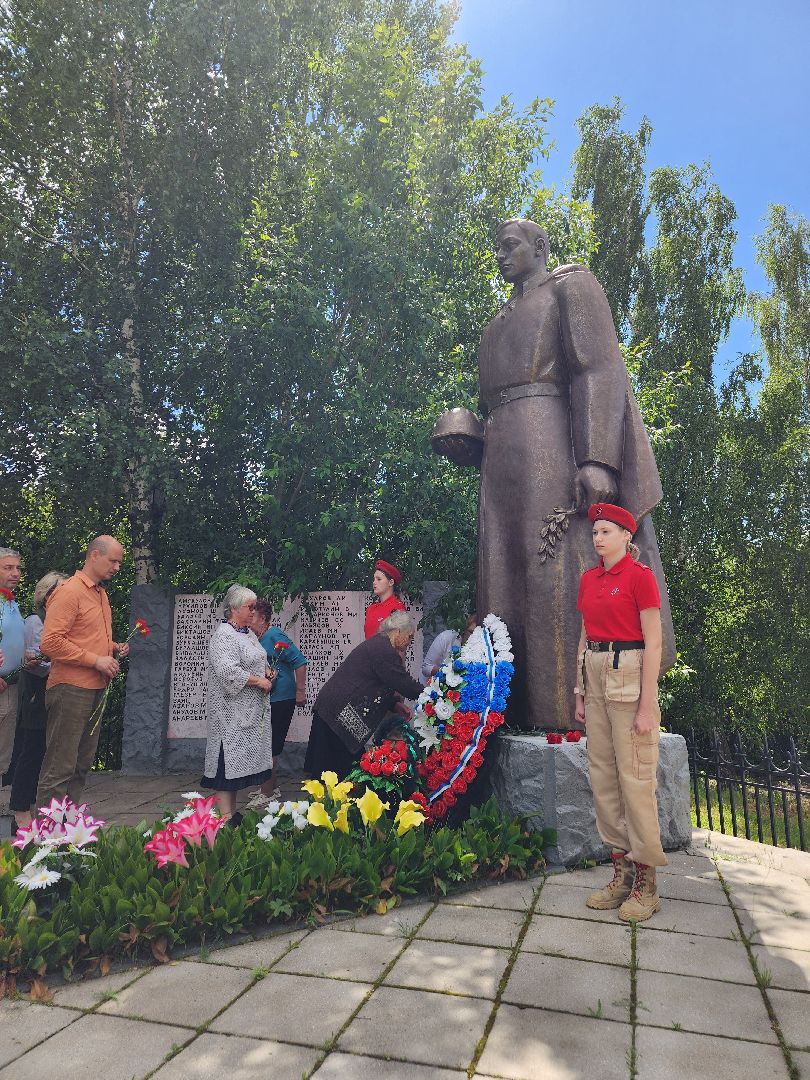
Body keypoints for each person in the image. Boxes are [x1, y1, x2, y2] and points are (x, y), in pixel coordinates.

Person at [432, 219, 675, 731]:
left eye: (509, 246)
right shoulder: (495, 326)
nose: (501, 255)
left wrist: (596, 458)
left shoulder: (570, 287)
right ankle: (507, 712)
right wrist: (471, 441)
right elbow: (498, 401)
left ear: (539, 247)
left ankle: (565, 711)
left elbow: (598, 369)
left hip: (552, 444)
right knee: (501, 574)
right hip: (501, 461)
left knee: (554, 570)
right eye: (497, 248)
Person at [574, 502, 667, 922]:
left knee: (635, 779)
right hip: (595, 675)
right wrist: (579, 693)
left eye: (606, 531)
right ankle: (622, 875)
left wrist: (647, 705)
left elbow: (654, 643)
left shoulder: (639, 577)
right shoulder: (588, 579)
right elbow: (584, 637)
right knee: (603, 778)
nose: (598, 537)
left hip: (629, 675)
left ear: (627, 536)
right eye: (595, 531)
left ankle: (647, 884)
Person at [37, 536, 130, 806]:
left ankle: (70, 824)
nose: (117, 567)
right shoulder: (70, 591)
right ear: (94, 556)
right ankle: (46, 830)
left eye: (119, 562)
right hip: (70, 688)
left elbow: (83, 637)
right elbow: (50, 642)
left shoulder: (100, 593)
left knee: (81, 765)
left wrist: (112, 647)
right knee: (60, 766)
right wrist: (95, 660)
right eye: (113, 561)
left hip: (95, 688)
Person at [305, 609, 424, 780]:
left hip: (337, 711)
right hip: (338, 714)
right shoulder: (383, 649)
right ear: (398, 631)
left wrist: (394, 704)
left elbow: (377, 683)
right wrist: (431, 693)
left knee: (344, 772)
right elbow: (403, 683)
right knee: (340, 773)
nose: (410, 642)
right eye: (410, 636)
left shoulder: (381, 645)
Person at [201, 585, 275, 821]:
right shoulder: (224, 636)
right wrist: (259, 681)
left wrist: (267, 671)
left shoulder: (247, 633)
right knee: (226, 764)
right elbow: (228, 672)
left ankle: (231, 814)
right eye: (250, 607)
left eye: (255, 607)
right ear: (234, 609)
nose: (254, 611)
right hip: (229, 713)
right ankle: (225, 817)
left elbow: (256, 658)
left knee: (235, 767)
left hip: (247, 712)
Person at [10, 572, 68, 828]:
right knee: (32, 750)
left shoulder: (65, 621)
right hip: (37, 691)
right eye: (61, 590)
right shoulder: (36, 621)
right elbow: (32, 660)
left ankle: (41, 807)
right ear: (47, 595)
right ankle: (21, 810)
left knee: (49, 753)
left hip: (58, 689)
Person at [251, 599, 307, 799]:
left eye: (253, 616)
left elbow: (299, 662)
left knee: (270, 746)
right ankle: (270, 788)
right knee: (266, 744)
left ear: (263, 618)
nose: (249, 619)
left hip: (282, 698)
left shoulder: (274, 635)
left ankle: (267, 794)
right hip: (268, 698)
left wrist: (300, 691)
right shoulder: (256, 638)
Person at [0, 547, 27, 788]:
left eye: (18, 568)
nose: (15, 573)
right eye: (8, 567)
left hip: (11, 685)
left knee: (3, 754)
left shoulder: (10, 602)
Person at [421, 614, 478, 682]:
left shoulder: (481, 648)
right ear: (464, 629)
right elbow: (426, 668)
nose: (473, 636)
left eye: (477, 634)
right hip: (437, 683)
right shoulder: (446, 637)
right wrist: (448, 672)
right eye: (471, 632)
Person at [364, 559, 406, 639]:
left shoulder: (397, 608)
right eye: (374, 579)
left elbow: (400, 641)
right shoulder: (371, 609)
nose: (374, 582)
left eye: (379, 579)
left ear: (391, 582)